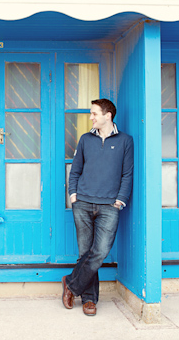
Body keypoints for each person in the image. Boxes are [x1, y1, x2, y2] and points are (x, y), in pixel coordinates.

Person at [62, 98, 134, 316]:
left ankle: (71, 284)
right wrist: (73, 195)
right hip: (82, 203)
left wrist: (120, 200)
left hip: (109, 206)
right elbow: (75, 171)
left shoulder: (125, 141)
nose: (91, 117)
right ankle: (89, 299)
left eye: (94, 113)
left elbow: (127, 174)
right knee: (85, 252)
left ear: (107, 116)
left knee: (99, 252)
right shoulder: (85, 139)